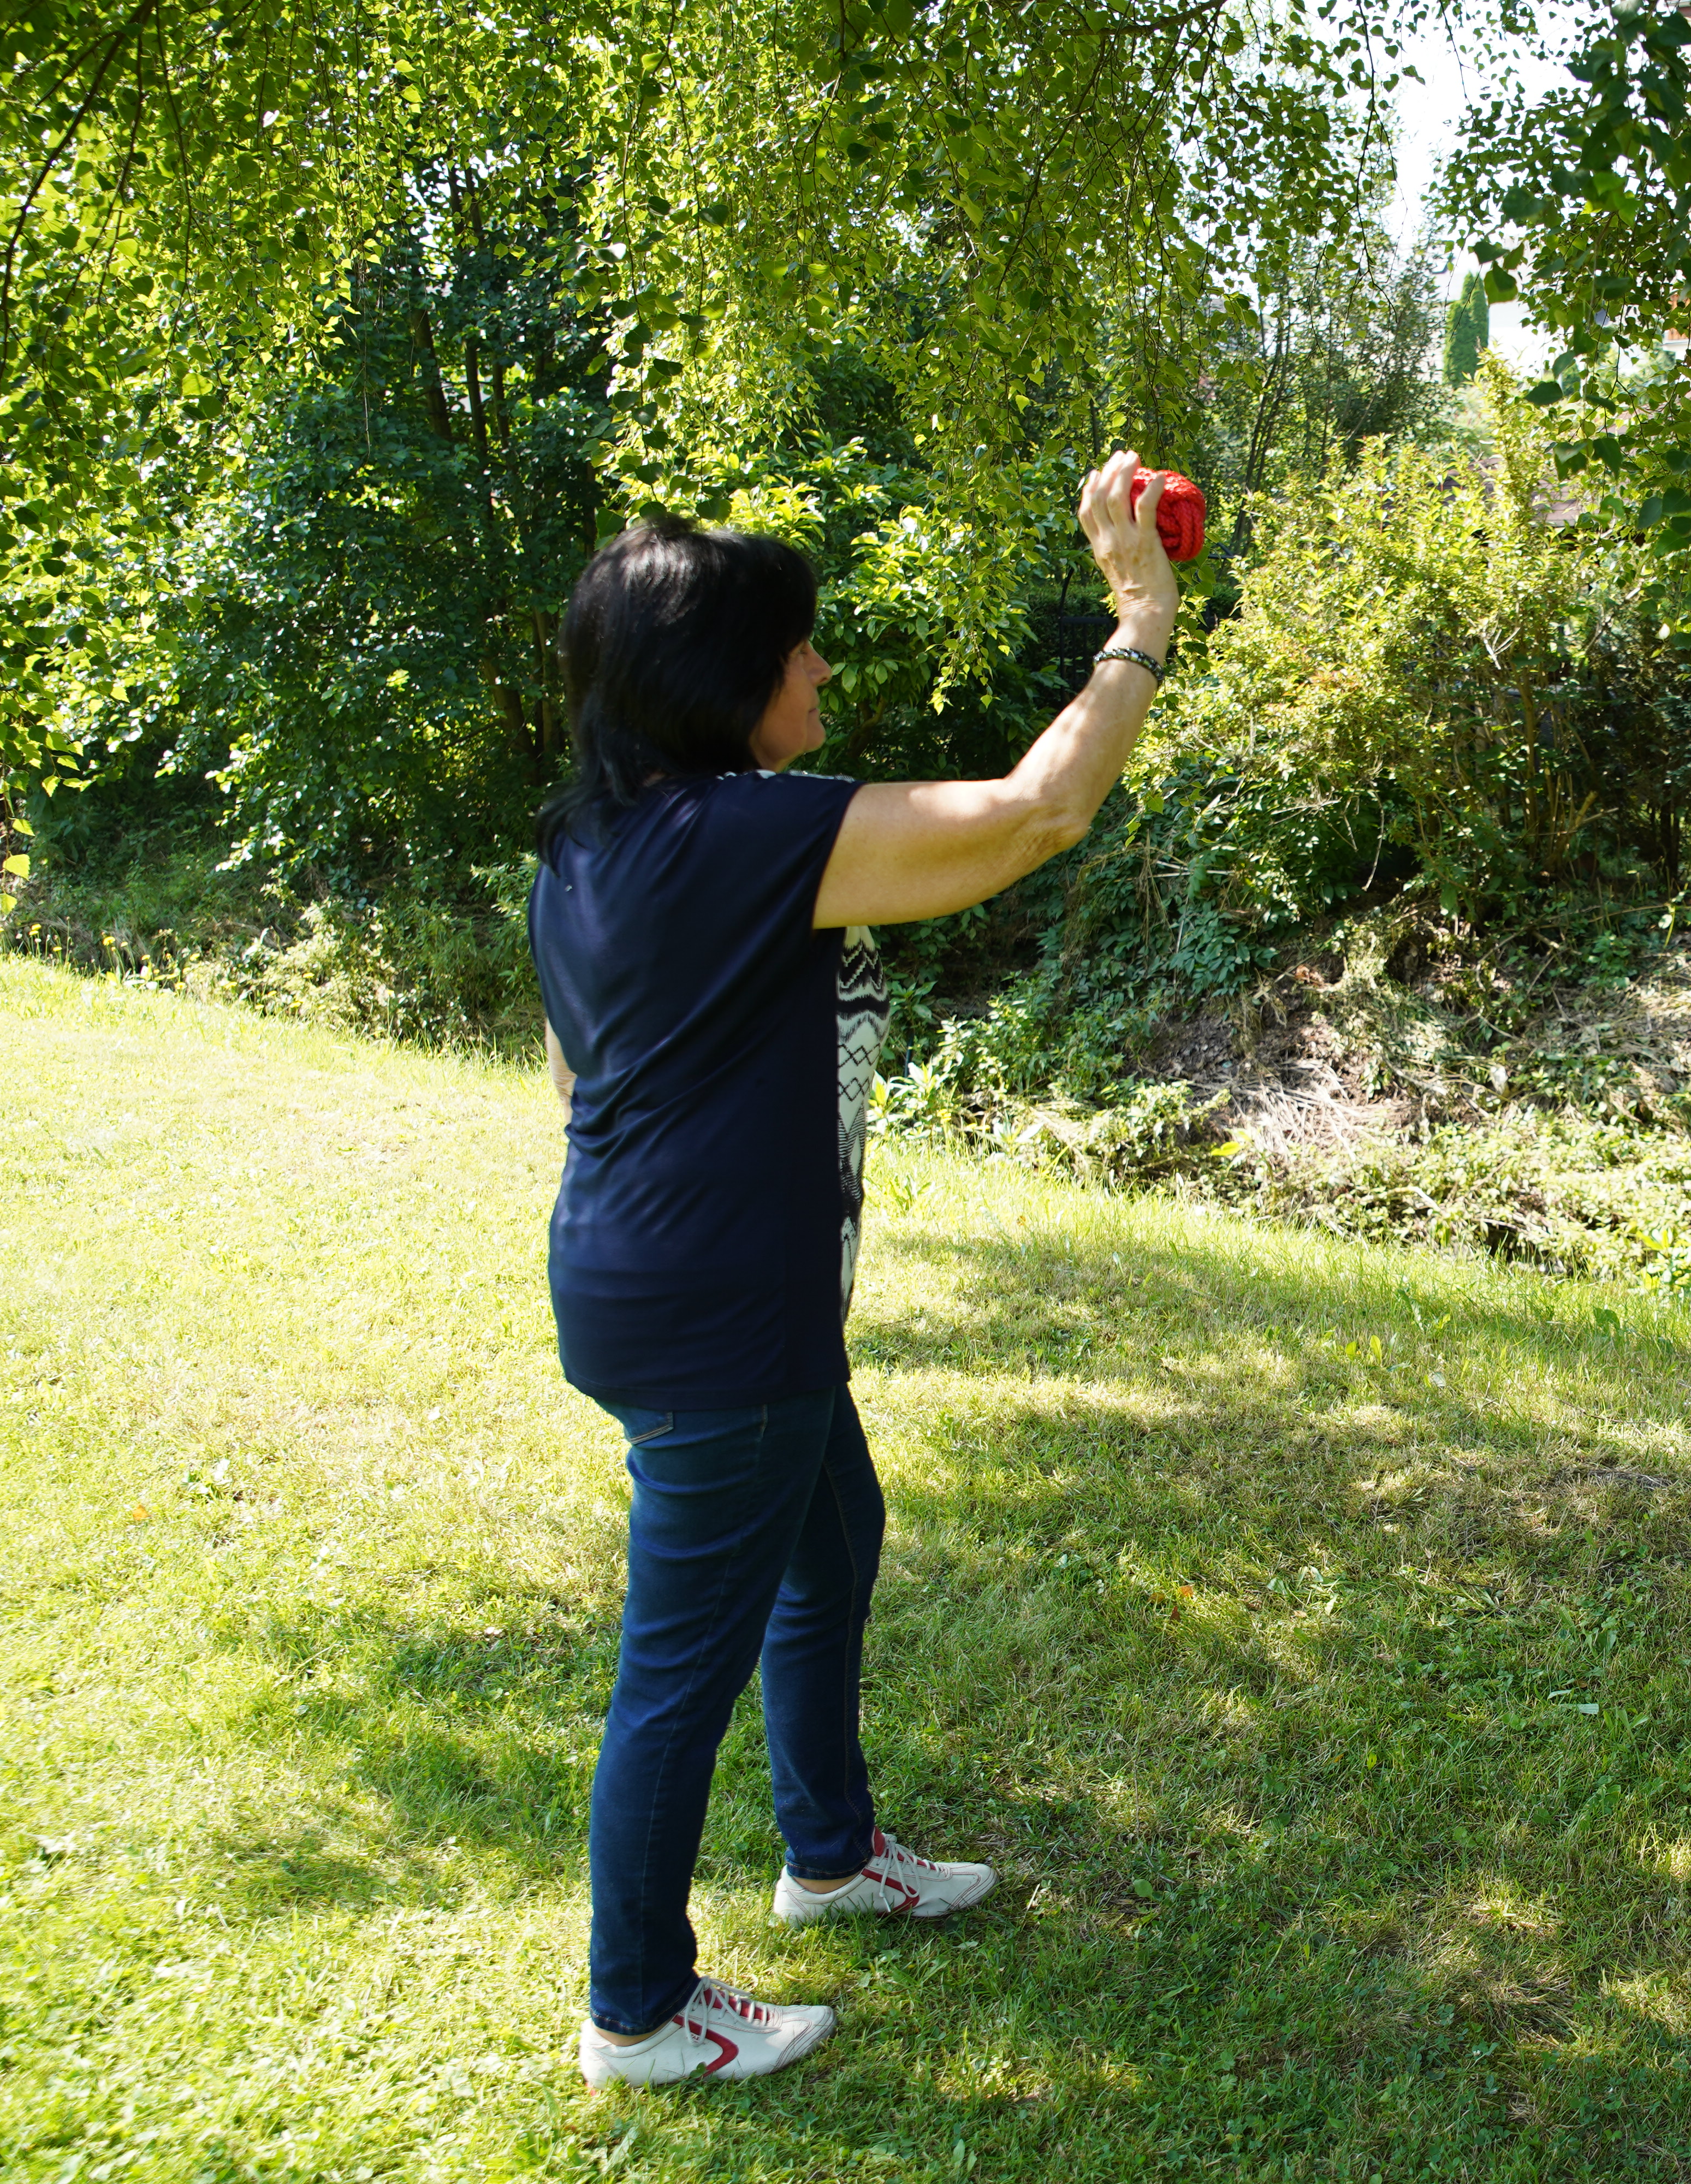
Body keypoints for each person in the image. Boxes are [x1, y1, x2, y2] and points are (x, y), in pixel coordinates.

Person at [530, 454, 1182, 2085]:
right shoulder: (738, 838)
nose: (821, 670)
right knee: (676, 1670)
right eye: (798, 647)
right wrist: (1142, 610)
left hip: (666, 1283)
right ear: (723, 679)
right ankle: (640, 2009)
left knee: (835, 1542)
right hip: (722, 1318)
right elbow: (1040, 811)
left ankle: (830, 1855)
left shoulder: (592, 850)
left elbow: (573, 1077)